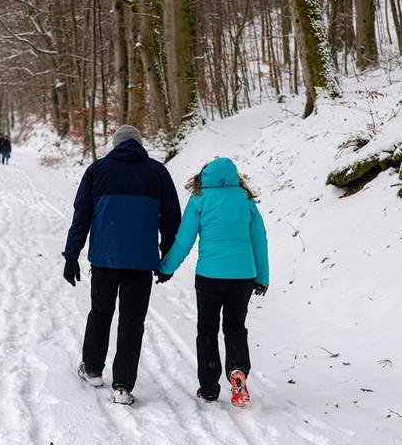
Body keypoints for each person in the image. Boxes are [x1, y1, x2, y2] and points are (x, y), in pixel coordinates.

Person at [63, 125, 181, 405]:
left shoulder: (97, 170)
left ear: (115, 144)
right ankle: (123, 386)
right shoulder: (157, 172)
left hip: (105, 259)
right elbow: (171, 219)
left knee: (101, 313)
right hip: (141, 262)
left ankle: (92, 369)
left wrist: (71, 255)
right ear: (139, 144)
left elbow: (82, 216)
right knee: (132, 322)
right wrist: (166, 260)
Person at [157, 157, 269, 408]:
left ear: (203, 176)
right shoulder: (245, 200)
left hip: (210, 276)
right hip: (243, 277)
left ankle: (209, 388)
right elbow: (259, 239)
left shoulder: (199, 199)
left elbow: (184, 241)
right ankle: (238, 371)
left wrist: (166, 268)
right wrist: (262, 276)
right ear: (234, 177)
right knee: (235, 327)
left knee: (207, 330)